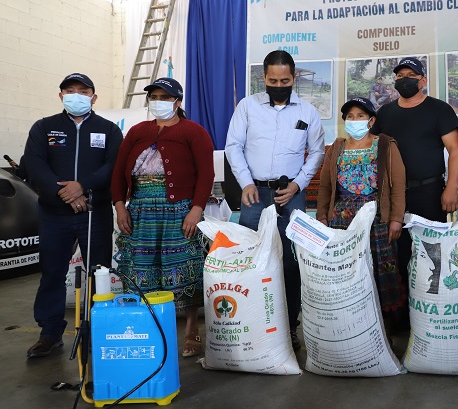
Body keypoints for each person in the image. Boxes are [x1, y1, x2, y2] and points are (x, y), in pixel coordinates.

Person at [225, 50, 325, 350]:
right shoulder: (247, 107)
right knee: (252, 260)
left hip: (290, 195)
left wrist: (297, 184)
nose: (278, 85)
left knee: (291, 263)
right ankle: (253, 325)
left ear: (294, 78)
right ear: (263, 78)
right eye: (272, 80)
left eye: (284, 80)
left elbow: (317, 152)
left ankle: (290, 327)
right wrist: (245, 183)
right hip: (254, 194)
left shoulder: (307, 112)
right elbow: (233, 146)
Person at [111, 77, 214, 357]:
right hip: (141, 209)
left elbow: (206, 174)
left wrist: (196, 209)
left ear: (178, 102)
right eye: (154, 96)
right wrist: (120, 206)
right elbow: (119, 171)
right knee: (142, 270)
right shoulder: (137, 132)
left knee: (184, 268)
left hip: (179, 210)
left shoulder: (194, 132)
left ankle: (191, 330)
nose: (158, 101)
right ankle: (150, 328)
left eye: (165, 97)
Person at [23, 73, 122, 358]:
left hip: (95, 214)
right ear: (61, 96)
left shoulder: (109, 130)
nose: (76, 95)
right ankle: (50, 333)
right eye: (70, 90)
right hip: (55, 215)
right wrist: (65, 194)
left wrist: (83, 186)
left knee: (98, 273)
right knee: (52, 273)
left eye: (83, 91)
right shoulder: (44, 127)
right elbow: (35, 163)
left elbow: (112, 166)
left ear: (94, 96)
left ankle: (96, 329)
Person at [371, 56, 458, 327]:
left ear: (423, 80)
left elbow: (455, 150)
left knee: (431, 256)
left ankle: (430, 314)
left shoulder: (439, 110)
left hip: (430, 192)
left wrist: (451, 188)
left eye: (410, 75)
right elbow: (372, 148)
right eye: (399, 76)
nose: (404, 79)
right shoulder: (386, 113)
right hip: (393, 197)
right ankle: (399, 317)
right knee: (394, 256)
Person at [316, 97, 406, 331]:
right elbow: (326, 185)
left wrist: (396, 218)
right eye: (350, 117)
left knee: (378, 267)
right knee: (347, 270)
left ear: (371, 120)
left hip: (376, 219)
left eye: (361, 116)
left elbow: (397, 184)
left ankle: (384, 327)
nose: (354, 120)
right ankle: (351, 323)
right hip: (342, 221)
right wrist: (322, 215)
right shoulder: (336, 147)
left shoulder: (385, 144)